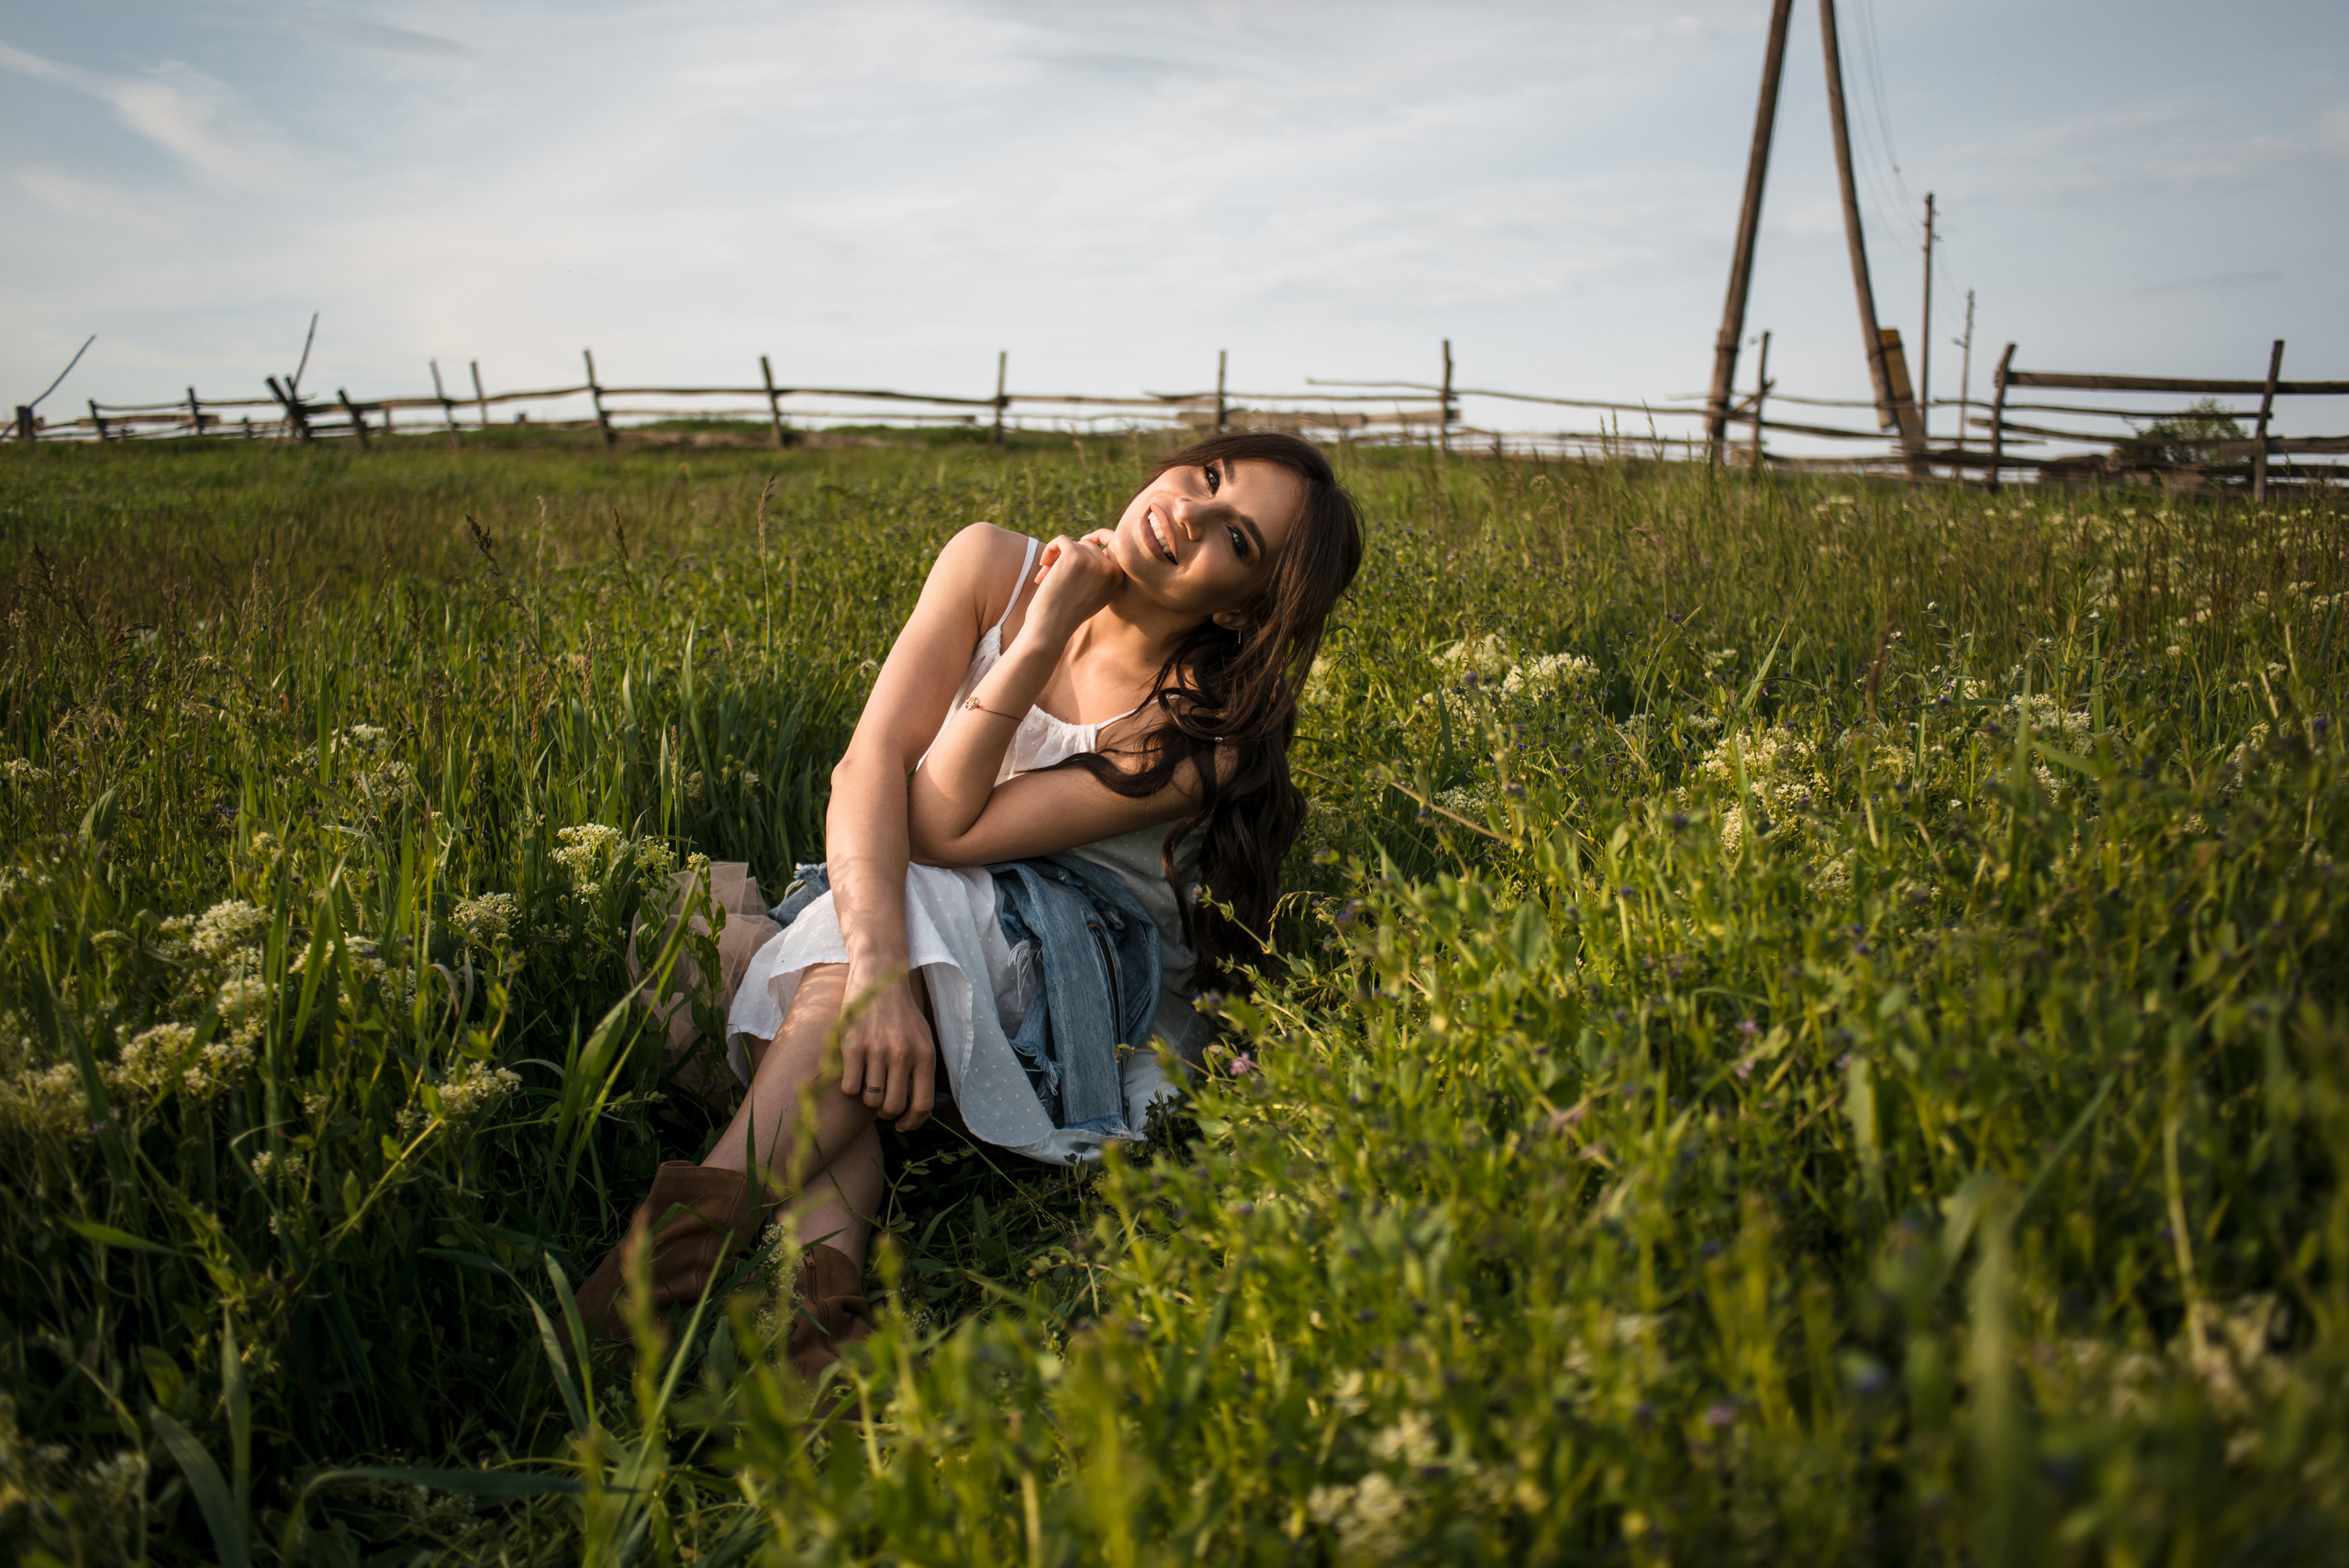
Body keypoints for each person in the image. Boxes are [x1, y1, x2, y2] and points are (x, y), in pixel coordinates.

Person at [573, 432, 1362, 1389]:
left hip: (1087, 965)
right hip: (935, 907)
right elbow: (866, 763)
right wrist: (878, 975)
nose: (1189, 515)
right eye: (1206, 478)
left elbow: (941, 824)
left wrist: (1036, 639)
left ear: (1242, 610)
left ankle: (654, 1274)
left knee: (893, 900)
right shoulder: (991, 558)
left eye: (1235, 539)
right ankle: (816, 1319)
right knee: (856, 979)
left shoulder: (1198, 729)